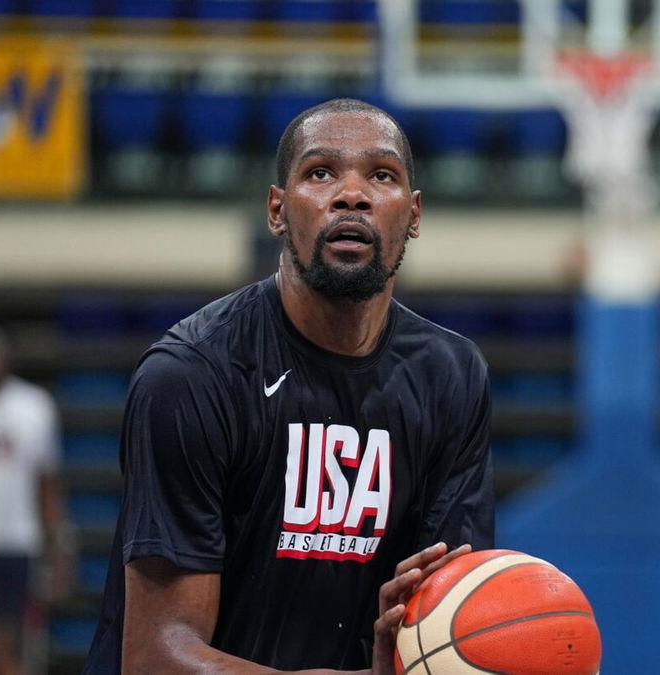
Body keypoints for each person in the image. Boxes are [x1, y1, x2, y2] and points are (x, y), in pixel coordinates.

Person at [83, 98, 495, 674]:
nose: (352, 195)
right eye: (320, 172)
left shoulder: (452, 375)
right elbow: (155, 656)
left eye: (382, 175)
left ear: (415, 214)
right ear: (277, 210)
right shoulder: (192, 374)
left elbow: (452, 620)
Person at [0, 323, 74, 675]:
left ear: (6, 360)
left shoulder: (34, 407)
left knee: (6, 648)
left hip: (13, 543)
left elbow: (48, 483)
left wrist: (60, 548)